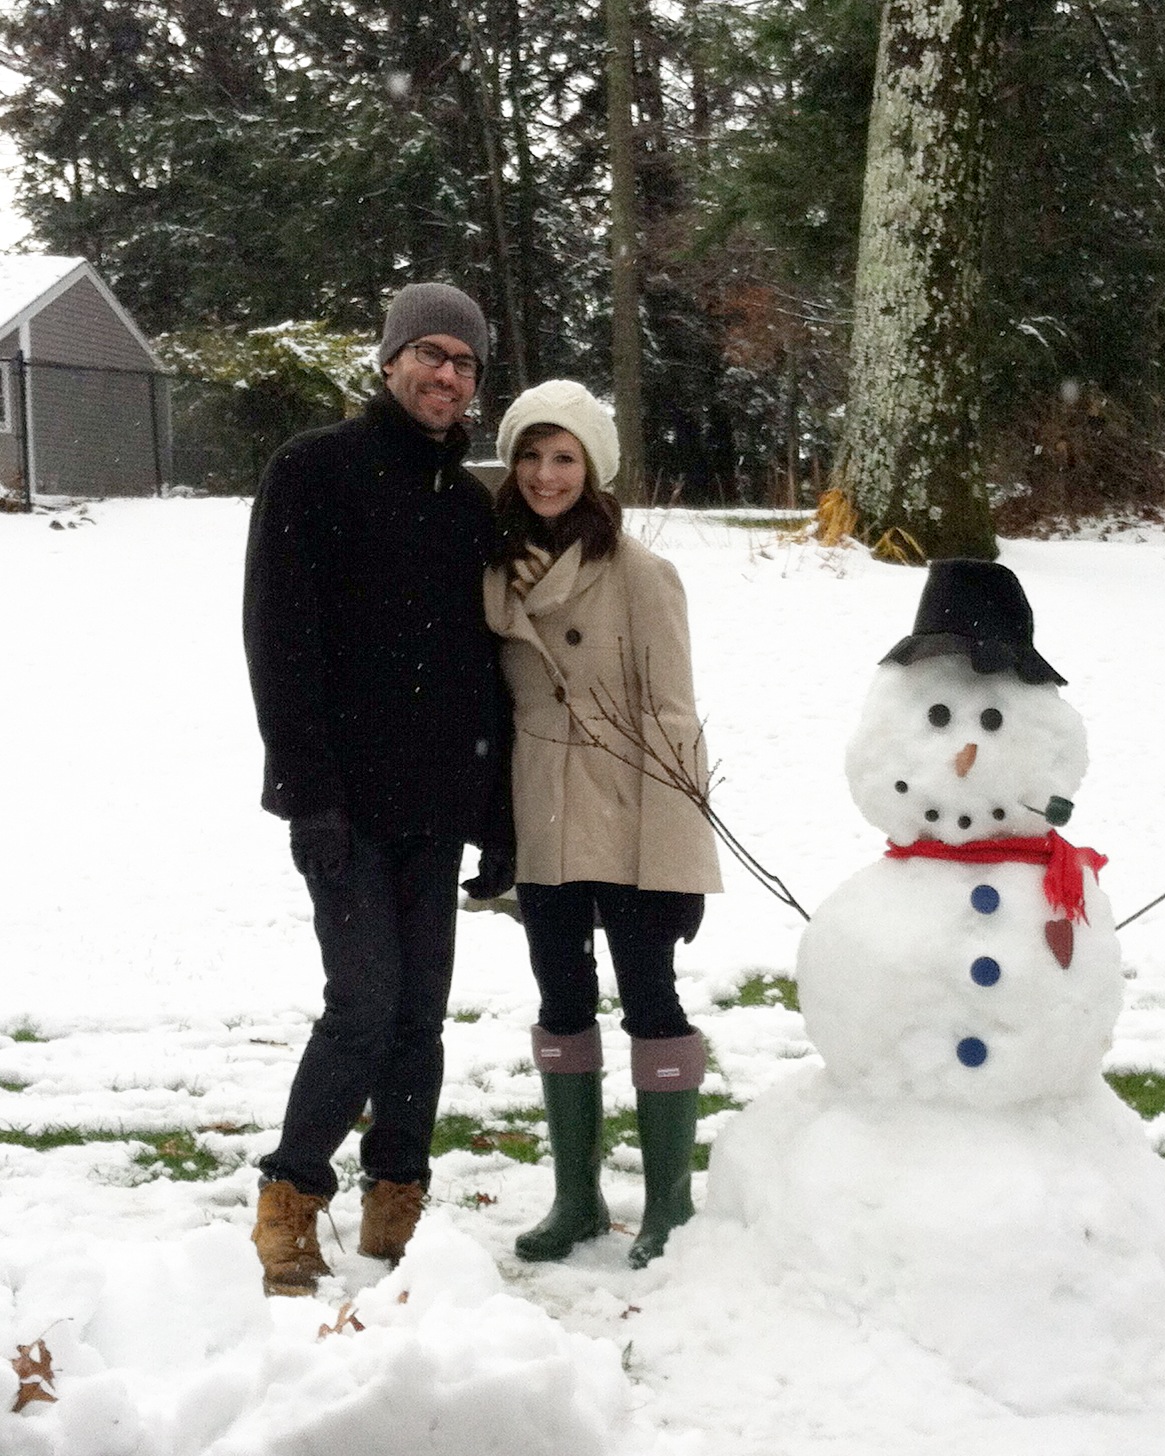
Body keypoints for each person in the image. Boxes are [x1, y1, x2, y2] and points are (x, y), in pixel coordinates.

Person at [242, 282, 514, 1296]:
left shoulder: (471, 505)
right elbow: (279, 637)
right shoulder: (313, 470)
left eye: (465, 362)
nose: (447, 374)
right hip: (343, 804)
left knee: (420, 1015)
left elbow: (484, 671)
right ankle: (289, 1200)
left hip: (435, 806)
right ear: (390, 360)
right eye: (430, 353)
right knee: (363, 1004)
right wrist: (307, 791)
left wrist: (497, 817)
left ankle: (395, 1202)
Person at [483, 379, 721, 1268]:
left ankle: (668, 1204)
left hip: (628, 814)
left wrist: (679, 860)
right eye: (531, 455)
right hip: (542, 810)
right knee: (560, 998)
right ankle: (576, 1199)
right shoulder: (493, 566)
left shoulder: (640, 573)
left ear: (593, 470)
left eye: (565, 458)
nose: (546, 475)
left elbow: (673, 718)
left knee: (651, 997)